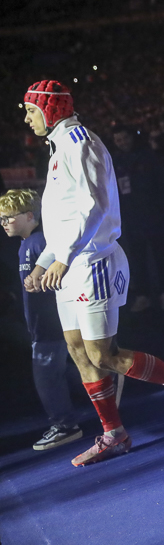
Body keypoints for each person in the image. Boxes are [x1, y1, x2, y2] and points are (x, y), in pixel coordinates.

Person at [23, 80, 164, 466]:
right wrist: (45, 261)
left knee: (102, 353)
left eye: (30, 110)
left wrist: (65, 257)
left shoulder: (79, 141)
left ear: (49, 108)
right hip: (69, 265)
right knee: (78, 352)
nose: (26, 119)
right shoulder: (60, 146)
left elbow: (96, 206)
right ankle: (115, 433)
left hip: (92, 262)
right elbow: (64, 218)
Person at [1, 189, 82, 450]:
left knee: (46, 377)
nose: (3, 224)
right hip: (44, 326)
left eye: (7, 218)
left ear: (29, 215)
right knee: (60, 371)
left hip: (49, 326)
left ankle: (65, 426)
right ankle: (108, 382)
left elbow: (62, 275)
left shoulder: (38, 243)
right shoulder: (28, 244)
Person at [110, 126, 164, 312]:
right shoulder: (115, 161)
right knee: (136, 257)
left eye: (124, 138)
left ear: (131, 137)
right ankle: (143, 295)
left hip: (154, 214)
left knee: (161, 255)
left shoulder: (149, 157)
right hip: (131, 217)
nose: (122, 142)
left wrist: (160, 205)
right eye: (118, 140)